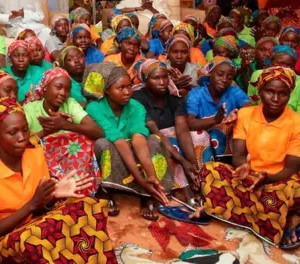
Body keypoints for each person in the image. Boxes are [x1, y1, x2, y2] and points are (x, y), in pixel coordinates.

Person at [0, 97, 116, 262]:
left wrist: (52, 195)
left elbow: (41, 207)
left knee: (87, 206)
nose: (22, 137)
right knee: (38, 240)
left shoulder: (34, 153)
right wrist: (32, 204)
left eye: (25, 129)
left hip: (33, 222)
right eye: (12, 132)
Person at [198, 67, 300, 248]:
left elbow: (291, 168)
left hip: (279, 180)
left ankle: (221, 210)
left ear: (290, 94)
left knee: (286, 193)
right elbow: (239, 156)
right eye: (269, 91)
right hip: (248, 176)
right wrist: (243, 168)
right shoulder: (245, 115)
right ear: (260, 91)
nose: (275, 98)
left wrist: (266, 179)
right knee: (210, 171)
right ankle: (270, 219)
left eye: (282, 93)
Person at [83, 62, 171, 219]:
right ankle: (107, 191)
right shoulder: (94, 107)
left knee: (152, 139)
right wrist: (139, 178)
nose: (127, 92)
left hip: (135, 151)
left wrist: (150, 175)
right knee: (102, 143)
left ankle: (148, 192)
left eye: (129, 86)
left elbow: (138, 137)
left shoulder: (136, 106)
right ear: (107, 91)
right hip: (115, 151)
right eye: (120, 88)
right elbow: (117, 139)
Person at [23, 67, 103, 194]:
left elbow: (98, 132)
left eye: (67, 90)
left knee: (85, 139)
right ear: (45, 87)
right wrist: (47, 132)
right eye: (58, 87)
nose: (63, 93)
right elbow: (22, 143)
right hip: (45, 163)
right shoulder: (29, 110)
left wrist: (65, 125)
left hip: (72, 160)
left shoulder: (70, 104)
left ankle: (83, 190)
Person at [132, 59, 200, 205]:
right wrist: (182, 161)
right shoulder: (138, 98)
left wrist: (191, 163)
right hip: (151, 138)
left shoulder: (174, 98)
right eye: (156, 78)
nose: (162, 82)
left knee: (200, 136)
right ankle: (183, 188)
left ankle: (197, 177)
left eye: (165, 77)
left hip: (173, 137)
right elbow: (154, 130)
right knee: (165, 142)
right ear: (145, 79)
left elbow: (181, 127)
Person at [186, 57, 250, 165]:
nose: (224, 80)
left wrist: (237, 115)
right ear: (210, 73)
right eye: (220, 74)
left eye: (229, 77)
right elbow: (191, 123)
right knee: (198, 135)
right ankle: (205, 172)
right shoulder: (196, 94)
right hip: (204, 146)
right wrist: (215, 120)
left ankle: (233, 168)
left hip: (230, 145)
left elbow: (249, 109)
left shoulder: (234, 91)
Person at [247, 45, 300, 113]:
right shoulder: (258, 75)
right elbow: (252, 104)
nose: (284, 68)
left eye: (289, 65)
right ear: (271, 62)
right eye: (279, 63)